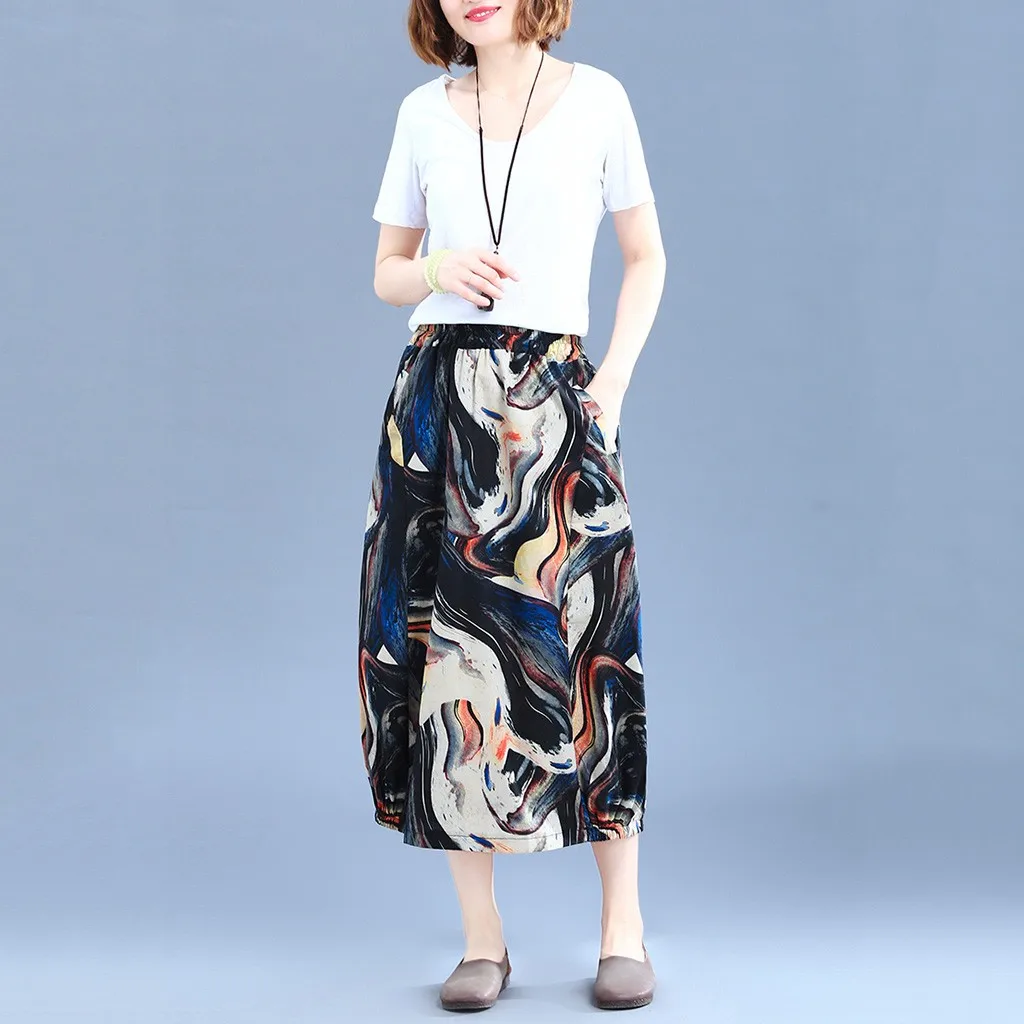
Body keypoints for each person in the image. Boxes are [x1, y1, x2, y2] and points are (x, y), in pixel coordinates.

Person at [357, 0, 666, 1011]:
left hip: (551, 396)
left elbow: (646, 255)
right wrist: (435, 268)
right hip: (437, 404)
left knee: (591, 644)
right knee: (448, 659)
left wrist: (609, 386)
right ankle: (482, 940)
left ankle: (622, 926)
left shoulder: (601, 101)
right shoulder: (422, 113)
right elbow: (387, 273)